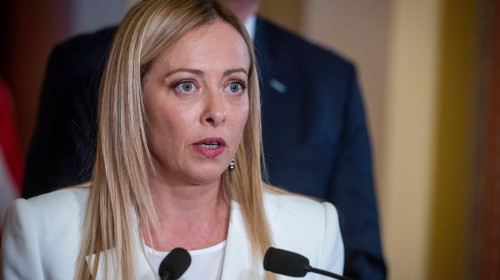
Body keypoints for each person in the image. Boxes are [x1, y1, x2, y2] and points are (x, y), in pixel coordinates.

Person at [22, 0, 386, 278]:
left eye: (234, 86)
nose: (218, 112)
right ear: (131, 98)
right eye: (186, 85)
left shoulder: (312, 232)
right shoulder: (43, 232)